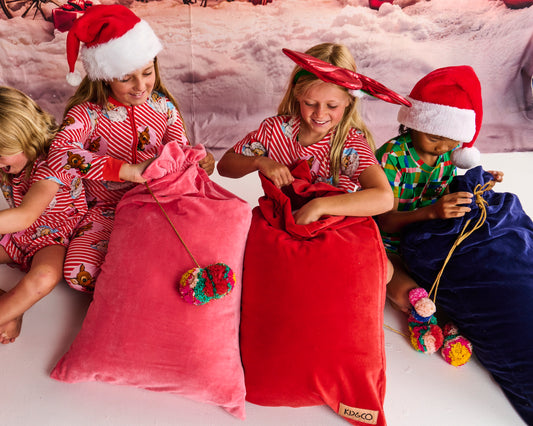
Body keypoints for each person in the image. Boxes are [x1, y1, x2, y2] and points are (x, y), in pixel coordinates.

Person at [47, 4, 215, 292]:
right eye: (126, 78)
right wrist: (127, 171)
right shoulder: (87, 114)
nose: (141, 85)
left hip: (159, 205)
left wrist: (200, 162)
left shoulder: (164, 108)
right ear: (104, 75)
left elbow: (180, 154)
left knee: (194, 251)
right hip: (104, 211)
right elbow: (59, 154)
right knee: (78, 272)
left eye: (147, 72)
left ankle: (152, 286)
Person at [217, 43, 413, 230]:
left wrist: (318, 206)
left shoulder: (350, 145)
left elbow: (384, 198)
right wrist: (259, 161)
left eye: (332, 106)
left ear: (349, 101)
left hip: (333, 231)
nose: (320, 114)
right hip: (280, 225)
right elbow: (224, 166)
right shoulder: (274, 131)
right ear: (297, 94)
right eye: (310, 103)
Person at [375, 66, 503, 344]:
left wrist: (480, 181)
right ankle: (420, 314)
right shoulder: (392, 157)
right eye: (433, 138)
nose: (442, 148)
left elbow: (447, 189)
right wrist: (431, 212)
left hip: (428, 238)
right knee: (391, 275)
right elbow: (384, 221)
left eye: (452, 142)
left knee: (467, 265)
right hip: (388, 240)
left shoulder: (448, 154)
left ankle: (461, 317)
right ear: (413, 123)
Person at [0, 86, 87, 344]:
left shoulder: (54, 164)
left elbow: (26, 215)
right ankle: (11, 306)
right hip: (19, 236)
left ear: (25, 137)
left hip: (55, 239)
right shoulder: (12, 162)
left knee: (44, 276)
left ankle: (8, 312)